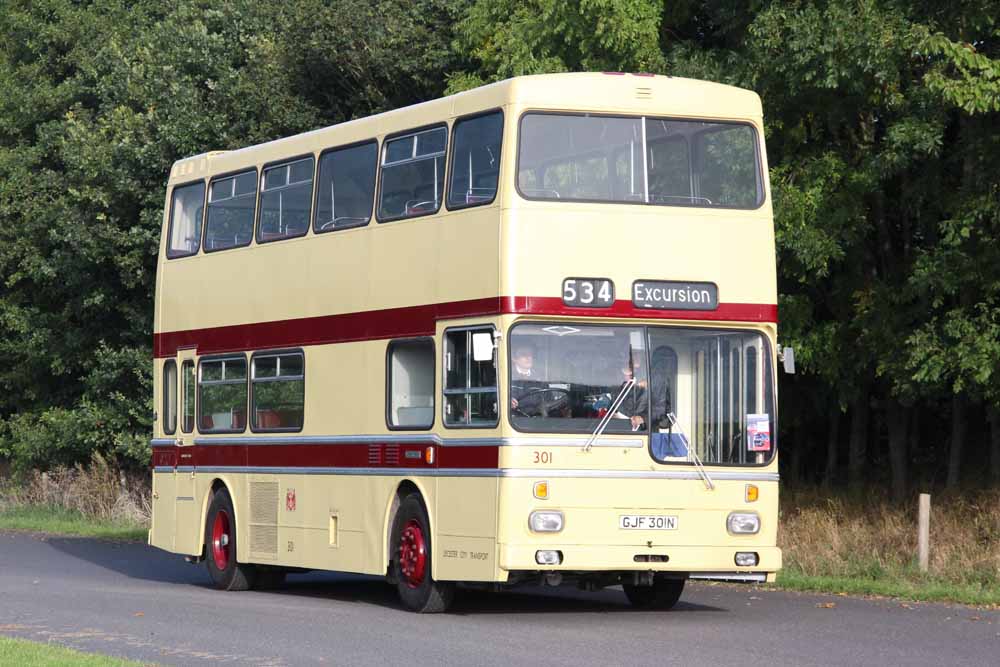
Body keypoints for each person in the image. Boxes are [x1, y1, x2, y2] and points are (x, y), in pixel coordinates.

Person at [613, 350, 648, 430]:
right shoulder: (616, 391)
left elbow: (661, 413)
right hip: (618, 432)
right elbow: (609, 409)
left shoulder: (648, 389)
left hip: (643, 433)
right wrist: (611, 415)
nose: (627, 376)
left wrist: (644, 418)